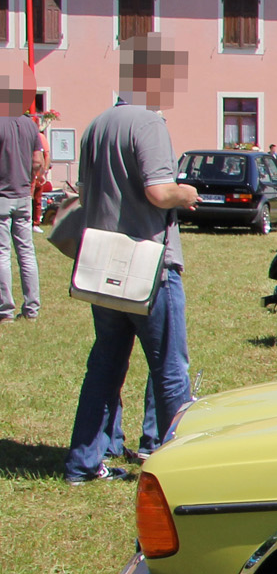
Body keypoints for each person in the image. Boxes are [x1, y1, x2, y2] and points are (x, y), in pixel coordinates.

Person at [63, 38, 199, 484]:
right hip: (150, 266)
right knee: (170, 369)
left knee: (104, 365)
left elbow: (84, 194)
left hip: (103, 265)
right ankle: (174, 463)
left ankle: (84, 462)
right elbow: (159, 192)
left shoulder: (96, 125)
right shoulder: (149, 124)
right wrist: (188, 193)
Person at [0, 85, 46, 322]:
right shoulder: (30, 124)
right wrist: (30, 183)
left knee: (2, 253)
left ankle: (5, 310)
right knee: (27, 252)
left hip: (1, 196)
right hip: (22, 195)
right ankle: (32, 309)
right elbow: (38, 160)